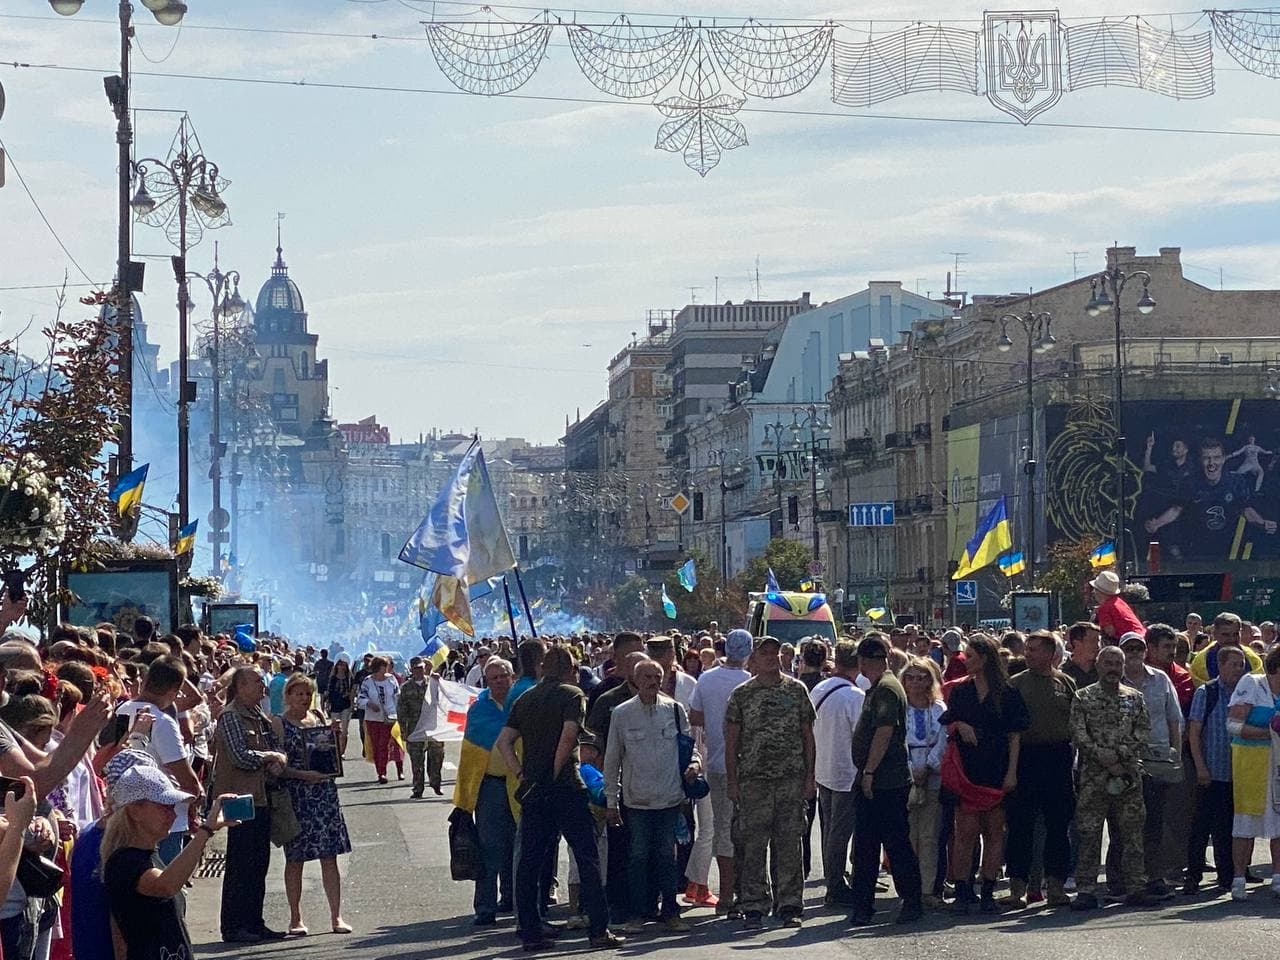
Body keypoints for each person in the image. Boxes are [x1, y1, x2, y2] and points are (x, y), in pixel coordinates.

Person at [495, 646, 623, 951]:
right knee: (587, 856)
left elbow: (504, 742)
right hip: (565, 786)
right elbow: (568, 736)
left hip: (533, 788)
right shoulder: (572, 695)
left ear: (542, 668)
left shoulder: (525, 698)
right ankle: (598, 929)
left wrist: (522, 774)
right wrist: (555, 770)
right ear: (571, 669)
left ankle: (530, 931)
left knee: (530, 860)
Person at [723, 635, 816, 929]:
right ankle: (753, 903)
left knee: (789, 844)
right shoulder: (742, 694)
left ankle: (789, 904)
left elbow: (807, 736)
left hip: (790, 779)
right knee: (752, 846)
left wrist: (810, 776)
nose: (770, 658)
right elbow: (732, 741)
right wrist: (733, 781)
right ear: (753, 659)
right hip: (753, 781)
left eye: (775, 654)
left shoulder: (796, 690)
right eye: (764, 654)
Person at [102, 766, 238, 960]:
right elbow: (165, 885)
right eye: (164, 807)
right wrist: (205, 831)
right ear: (135, 811)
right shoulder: (124, 861)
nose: (173, 815)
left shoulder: (148, 855)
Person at [602, 660, 698, 934]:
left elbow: (689, 749)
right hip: (637, 801)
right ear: (635, 679)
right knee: (638, 856)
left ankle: (670, 911)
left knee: (667, 857)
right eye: (647, 676)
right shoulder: (621, 713)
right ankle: (637, 914)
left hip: (669, 798)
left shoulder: (676, 710)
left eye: (657, 676)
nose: (653, 681)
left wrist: (694, 766)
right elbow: (612, 760)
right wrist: (611, 802)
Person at [939, 634, 1029, 913]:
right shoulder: (962, 691)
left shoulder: (1008, 692)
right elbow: (948, 720)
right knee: (965, 832)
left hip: (998, 768)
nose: (966, 661)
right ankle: (963, 889)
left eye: (972, 656)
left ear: (986, 658)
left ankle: (988, 889)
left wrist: (1012, 773)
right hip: (967, 771)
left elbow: (1015, 735)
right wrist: (960, 725)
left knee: (994, 832)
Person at [1069, 647, 1156, 910]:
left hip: (1127, 778)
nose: (1113, 668)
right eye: (1108, 663)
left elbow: (1143, 730)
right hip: (1094, 778)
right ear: (1098, 665)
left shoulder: (1135, 698)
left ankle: (1135, 888)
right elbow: (1077, 732)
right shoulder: (1083, 697)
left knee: (1132, 835)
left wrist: (1120, 755)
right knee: (1089, 834)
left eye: (1117, 664)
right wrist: (1101, 755)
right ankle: (1085, 889)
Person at [847, 634, 923, 927]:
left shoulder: (888, 690)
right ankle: (863, 905)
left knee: (894, 843)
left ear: (865, 661)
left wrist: (868, 773)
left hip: (886, 781)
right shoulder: (879, 688)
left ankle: (911, 900)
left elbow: (884, 731)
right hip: (878, 779)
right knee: (867, 845)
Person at [211, 666, 289, 943]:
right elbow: (239, 756)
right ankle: (234, 926)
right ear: (241, 686)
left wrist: (278, 760)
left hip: (262, 795)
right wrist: (270, 757)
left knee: (259, 864)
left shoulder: (258, 714)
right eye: (257, 682)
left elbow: (277, 748)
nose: (262, 687)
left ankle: (255, 922)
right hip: (240, 798)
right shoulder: (231, 716)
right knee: (240, 864)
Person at [274, 674, 352, 936]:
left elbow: (335, 756)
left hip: (324, 795)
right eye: (298, 694)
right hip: (298, 797)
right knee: (295, 859)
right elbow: (277, 767)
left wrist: (339, 736)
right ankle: (295, 917)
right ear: (288, 696)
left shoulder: (318, 719)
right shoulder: (280, 723)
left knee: (329, 857)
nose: (304, 699)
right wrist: (302, 775)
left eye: (307, 694)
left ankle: (336, 916)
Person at [1005, 629, 1076, 908]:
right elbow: (1010, 730)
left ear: (1050, 653)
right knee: (1021, 826)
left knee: (1059, 825)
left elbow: (1075, 722)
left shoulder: (1066, 683)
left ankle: (1056, 887)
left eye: (1034, 649)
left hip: (1058, 758)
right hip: (1025, 758)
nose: (1028, 654)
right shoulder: (1015, 684)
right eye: (1027, 648)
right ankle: (1017, 888)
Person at [1110, 632, 1183, 899]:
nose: (1134, 653)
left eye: (1138, 648)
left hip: (1158, 760)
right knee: (1122, 823)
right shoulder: (1112, 681)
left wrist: (1175, 750)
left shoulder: (1161, 679)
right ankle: (1118, 881)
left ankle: (1154, 877)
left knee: (1154, 822)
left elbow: (1174, 717)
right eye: (1128, 649)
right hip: (1124, 763)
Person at [113, 655, 203, 865]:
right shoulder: (162, 722)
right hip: (165, 819)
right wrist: (196, 799)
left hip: (125, 813)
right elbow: (184, 775)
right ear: (173, 691)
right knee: (166, 886)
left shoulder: (120, 711)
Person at [688, 628, 752, 915]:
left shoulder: (706, 678)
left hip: (716, 762)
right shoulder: (750, 682)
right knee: (748, 830)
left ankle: (726, 895)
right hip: (749, 765)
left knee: (722, 829)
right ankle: (744, 891)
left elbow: (695, 717)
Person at [454, 657, 517, 926]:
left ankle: (514, 899)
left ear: (512, 676)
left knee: (519, 845)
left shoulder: (522, 703)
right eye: (495, 678)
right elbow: (470, 753)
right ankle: (485, 907)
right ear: (486, 681)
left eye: (504, 675)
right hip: (490, 785)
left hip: (519, 782)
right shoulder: (479, 710)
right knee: (490, 846)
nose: (500, 680)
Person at [1184, 644, 1246, 894]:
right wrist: (1200, 767)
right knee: (1201, 827)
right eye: (1233, 664)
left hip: (1238, 773)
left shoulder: (1244, 694)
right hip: (1210, 773)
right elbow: (1194, 732)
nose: (1238, 669)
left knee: (1229, 827)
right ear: (1220, 665)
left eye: (1241, 665)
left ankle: (1227, 875)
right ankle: (1193, 875)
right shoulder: (1206, 693)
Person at [809, 640, 865, 907]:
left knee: (830, 829)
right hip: (846, 771)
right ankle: (834, 885)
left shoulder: (820, 687)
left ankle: (835, 878)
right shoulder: (855, 696)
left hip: (824, 768)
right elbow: (861, 736)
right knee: (840, 833)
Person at [1225, 644, 1280, 901]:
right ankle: (1238, 878)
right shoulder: (1252, 683)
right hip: (1251, 764)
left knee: (1279, 822)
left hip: (1277, 765)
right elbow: (1233, 725)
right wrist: (1269, 732)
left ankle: (1278, 877)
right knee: (1245, 822)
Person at [902, 656, 945, 908]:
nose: (916, 683)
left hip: (932, 774)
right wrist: (911, 769)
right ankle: (909, 888)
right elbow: (896, 740)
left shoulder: (938, 709)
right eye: (911, 677)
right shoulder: (900, 707)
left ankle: (927, 889)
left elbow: (944, 739)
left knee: (929, 835)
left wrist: (928, 765)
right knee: (908, 835)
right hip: (906, 775)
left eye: (922, 677)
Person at [398, 658, 444, 798]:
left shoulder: (433, 683)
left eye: (421, 668)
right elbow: (401, 709)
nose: (419, 671)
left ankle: (436, 783)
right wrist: (403, 730)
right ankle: (418, 788)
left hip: (432, 727)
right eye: (416, 668)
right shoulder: (406, 687)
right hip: (414, 728)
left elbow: (443, 700)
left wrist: (440, 680)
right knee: (417, 762)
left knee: (437, 757)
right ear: (411, 670)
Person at [358, 656, 403, 784]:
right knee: (376, 746)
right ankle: (380, 771)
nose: (387, 668)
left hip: (389, 718)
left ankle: (383, 772)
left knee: (384, 745)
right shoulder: (368, 682)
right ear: (378, 667)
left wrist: (398, 712)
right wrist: (369, 704)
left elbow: (397, 696)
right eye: (384, 665)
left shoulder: (391, 680)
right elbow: (360, 698)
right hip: (373, 719)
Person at [1190, 612, 1264, 685]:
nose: (1231, 639)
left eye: (1235, 634)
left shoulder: (1253, 660)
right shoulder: (1200, 662)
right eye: (1226, 635)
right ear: (1215, 633)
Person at [1089, 571, 1144, 641]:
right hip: (1141, 637)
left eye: (1095, 589)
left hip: (1132, 641)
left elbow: (1110, 633)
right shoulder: (1119, 601)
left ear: (1099, 591)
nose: (1093, 592)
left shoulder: (1104, 608)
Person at [325, 658, 355, 756]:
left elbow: (352, 692)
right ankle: (336, 750)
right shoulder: (332, 678)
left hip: (345, 705)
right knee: (335, 729)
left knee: (344, 731)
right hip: (334, 705)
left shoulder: (349, 678)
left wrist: (351, 704)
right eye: (340, 665)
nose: (341, 667)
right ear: (336, 666)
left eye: (343, 665)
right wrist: (327, 704)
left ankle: (342, 752)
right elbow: (329, 692)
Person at [1062, 621, 1102, 689]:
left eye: (1098, 641)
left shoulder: (1103, 671)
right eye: (1092, 641)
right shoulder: (1063, 672)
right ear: (1076, 643)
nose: (1098, 646)